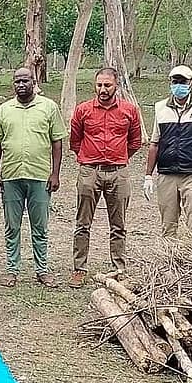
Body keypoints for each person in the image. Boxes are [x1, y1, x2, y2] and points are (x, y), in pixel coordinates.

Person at [0, 68, 67, 288]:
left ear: (34, 82)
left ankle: (42, 269)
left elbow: (57, 142)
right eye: (17, 81)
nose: (21, 84)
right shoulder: (5, 109)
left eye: (25, 80)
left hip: (39, 175)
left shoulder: (49, 107)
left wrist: (55, 173)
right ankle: (12, 269)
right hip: (11, 176)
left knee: (40, 226)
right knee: (12, 226)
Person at [69, 68, 142, 287]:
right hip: (89, 171)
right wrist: (89, 159)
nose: (103, 89)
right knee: (83, 223)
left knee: (118, 224)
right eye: (99, 85)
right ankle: (79, 269)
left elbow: (135, 142)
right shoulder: (83, 110)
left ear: (116, 86)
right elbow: (75, 141)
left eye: (107, 85)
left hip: (118, 172)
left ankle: (119, 269)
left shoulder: (129, 110)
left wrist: (118, 157)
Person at [144, 65, 192, 244]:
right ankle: (168, 259)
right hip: (167, 174)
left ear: (191, 83)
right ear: (170, 83)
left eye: (183, 81)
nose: (179, 85)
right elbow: (155, 143)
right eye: (175, 81)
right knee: (168, 225)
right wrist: (148, 175)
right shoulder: (160, 107)